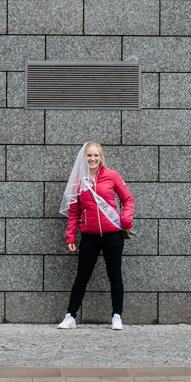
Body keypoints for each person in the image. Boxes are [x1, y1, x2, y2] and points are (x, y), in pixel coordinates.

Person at [57, 141, 134, 331]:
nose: (92, 159)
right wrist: (70, 236)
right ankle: (70, 316)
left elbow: (128, 199)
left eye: (95, 155)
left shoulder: (112, 176)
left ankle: (117, 316)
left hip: (112, 235)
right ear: (84, 158)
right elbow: (74, 212)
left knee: (115, 276)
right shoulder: (79, 180)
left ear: (101, 157)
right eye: (89, 155)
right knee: (82, 276)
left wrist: (126, 220)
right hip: (89, 236)